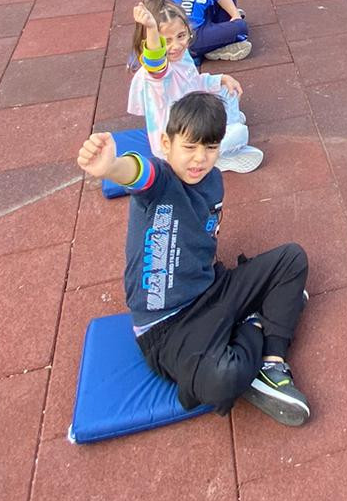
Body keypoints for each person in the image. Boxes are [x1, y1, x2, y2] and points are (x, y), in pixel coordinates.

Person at [77, 94, 310, 424]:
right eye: (189, 147)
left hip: (212, 290)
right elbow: (138, 173)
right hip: (168, 327)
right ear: (166, 144)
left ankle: (272, 362)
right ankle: (256, 322)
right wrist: (112, 167)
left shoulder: (212, 180)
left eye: (210, 148)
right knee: (224, 378)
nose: (200, 159)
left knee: (293, 259)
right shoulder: (160, 182)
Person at [129, 0, 262, 172]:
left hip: (194, 116)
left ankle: (222, 134)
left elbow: (193, 82)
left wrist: (221, 78)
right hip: (177, 144)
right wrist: (152, 28)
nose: (176, 45)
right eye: (166, 41)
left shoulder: (181, 55)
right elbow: (155, 61)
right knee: (239, 133)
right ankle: (214, 157)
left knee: (227, 90)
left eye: (181, 35)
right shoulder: (157, 75)